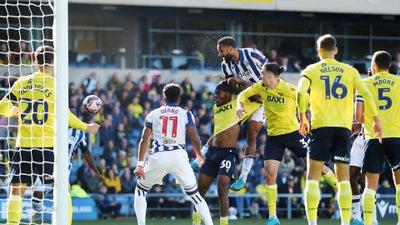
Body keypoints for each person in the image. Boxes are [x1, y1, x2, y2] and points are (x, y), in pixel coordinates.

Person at [0, 45, 100, 225]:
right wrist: (87, 127)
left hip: (24, 146)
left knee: (16, 192)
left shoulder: (21, 82)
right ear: (53, 62)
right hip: (48, 147)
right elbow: (66, 115)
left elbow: (2, 107)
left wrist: (12, 110)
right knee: (63, 190)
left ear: (35, 61)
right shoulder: (56, 84)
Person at [235, 63, 338, 225]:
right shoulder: (260, 87)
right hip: (273, 137)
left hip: (293, 134)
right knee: (269, 174)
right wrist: (239, 106)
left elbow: (306, 98)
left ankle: (339, 189)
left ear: (273, 76)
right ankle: (273, 217)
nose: (261, 77)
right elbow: (242, 95)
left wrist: (307, 117)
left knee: (316, 165)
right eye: (261, 74)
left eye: (263, 74)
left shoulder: (290, 90)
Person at [296, 34, 382, 225]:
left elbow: (301, 91)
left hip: (320, 128)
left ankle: (312, 223)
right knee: (343, 180)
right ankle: (345, 222)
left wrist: (302, 117)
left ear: (318, 51)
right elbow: (366, 94)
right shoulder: (350, 71)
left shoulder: (311, 70)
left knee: (312, 178)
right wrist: (376, 120)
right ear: (336, 50)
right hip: (343, 130)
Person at [133, 83, 213, 225]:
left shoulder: (153, 113)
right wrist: (199, 155)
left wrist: (140, 164)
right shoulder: (186, 113)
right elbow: (194, 137)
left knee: (140, 190)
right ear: (179, 98)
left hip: (158, 156)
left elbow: (144, 139)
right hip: (179, 156)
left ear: (163, 98)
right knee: (195, 196)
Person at [193, 80, 260, 225]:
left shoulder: (240, 103)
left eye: (218, 93)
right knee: (200, 190)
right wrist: (202, 152)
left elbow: (256, 93)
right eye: (215, 94)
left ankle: (224, 223)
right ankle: (196, 222)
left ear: (229, 94)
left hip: (228, 152)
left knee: (222, 186)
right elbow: (216, 134)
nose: (215, 96)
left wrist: (239, 83)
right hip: (212, 152)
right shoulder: (216, 108)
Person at [217, 36, 267, 188]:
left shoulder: (252, 54)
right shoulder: (226, 66)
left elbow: (273, 74)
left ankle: (243, 177)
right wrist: (233, 84)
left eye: (221, 51)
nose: (220, 54)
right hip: (245, 100)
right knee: (226, 130)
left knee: (251, 135)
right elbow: (235, 88)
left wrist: (253, 88)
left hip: (263, 100)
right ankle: (211, 160)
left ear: (230, 48)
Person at [357, 51, 400, 225]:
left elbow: (358, 115)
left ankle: (369, 222)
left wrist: (368, 123)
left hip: (373, 137)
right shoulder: (399, 83)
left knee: (370, 185)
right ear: (389, 66)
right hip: (396, 136)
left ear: (373, 65)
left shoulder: (364, 83)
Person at [31, 124, 104, 224]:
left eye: (74, 113)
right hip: (47, 167)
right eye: (70, 112)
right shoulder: (52, 125)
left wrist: (97, 172)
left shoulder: (78, 132)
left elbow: (86, 151)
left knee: (65, 195)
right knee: (37, 198)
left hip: (63, 170)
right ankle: (37, 209)